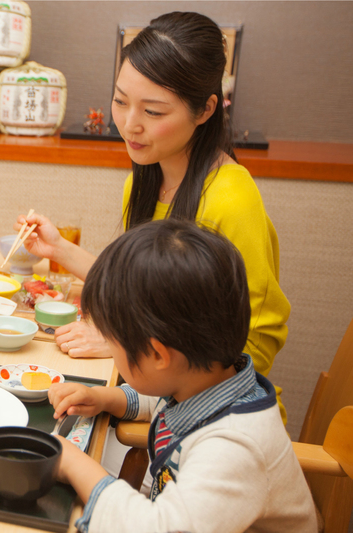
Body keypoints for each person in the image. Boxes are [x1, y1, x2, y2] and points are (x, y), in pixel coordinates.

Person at [18, 11, 290, 421]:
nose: (129, 125)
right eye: (121, 101)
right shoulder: (145, 180)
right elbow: (139, 290)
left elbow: (252, 343)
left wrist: (125, 347)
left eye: (154, 112)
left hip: (220, 420)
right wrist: (58, 249)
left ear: (205, 110)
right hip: (157, 397)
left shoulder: (232, 198)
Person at [48, 219, 315, 533]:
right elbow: (160, 399)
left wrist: (74, 464)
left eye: (112, 341)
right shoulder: (204, 382)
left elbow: (158, 528)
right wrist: (104, 397)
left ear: (158, 355)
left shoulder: (233, 448)